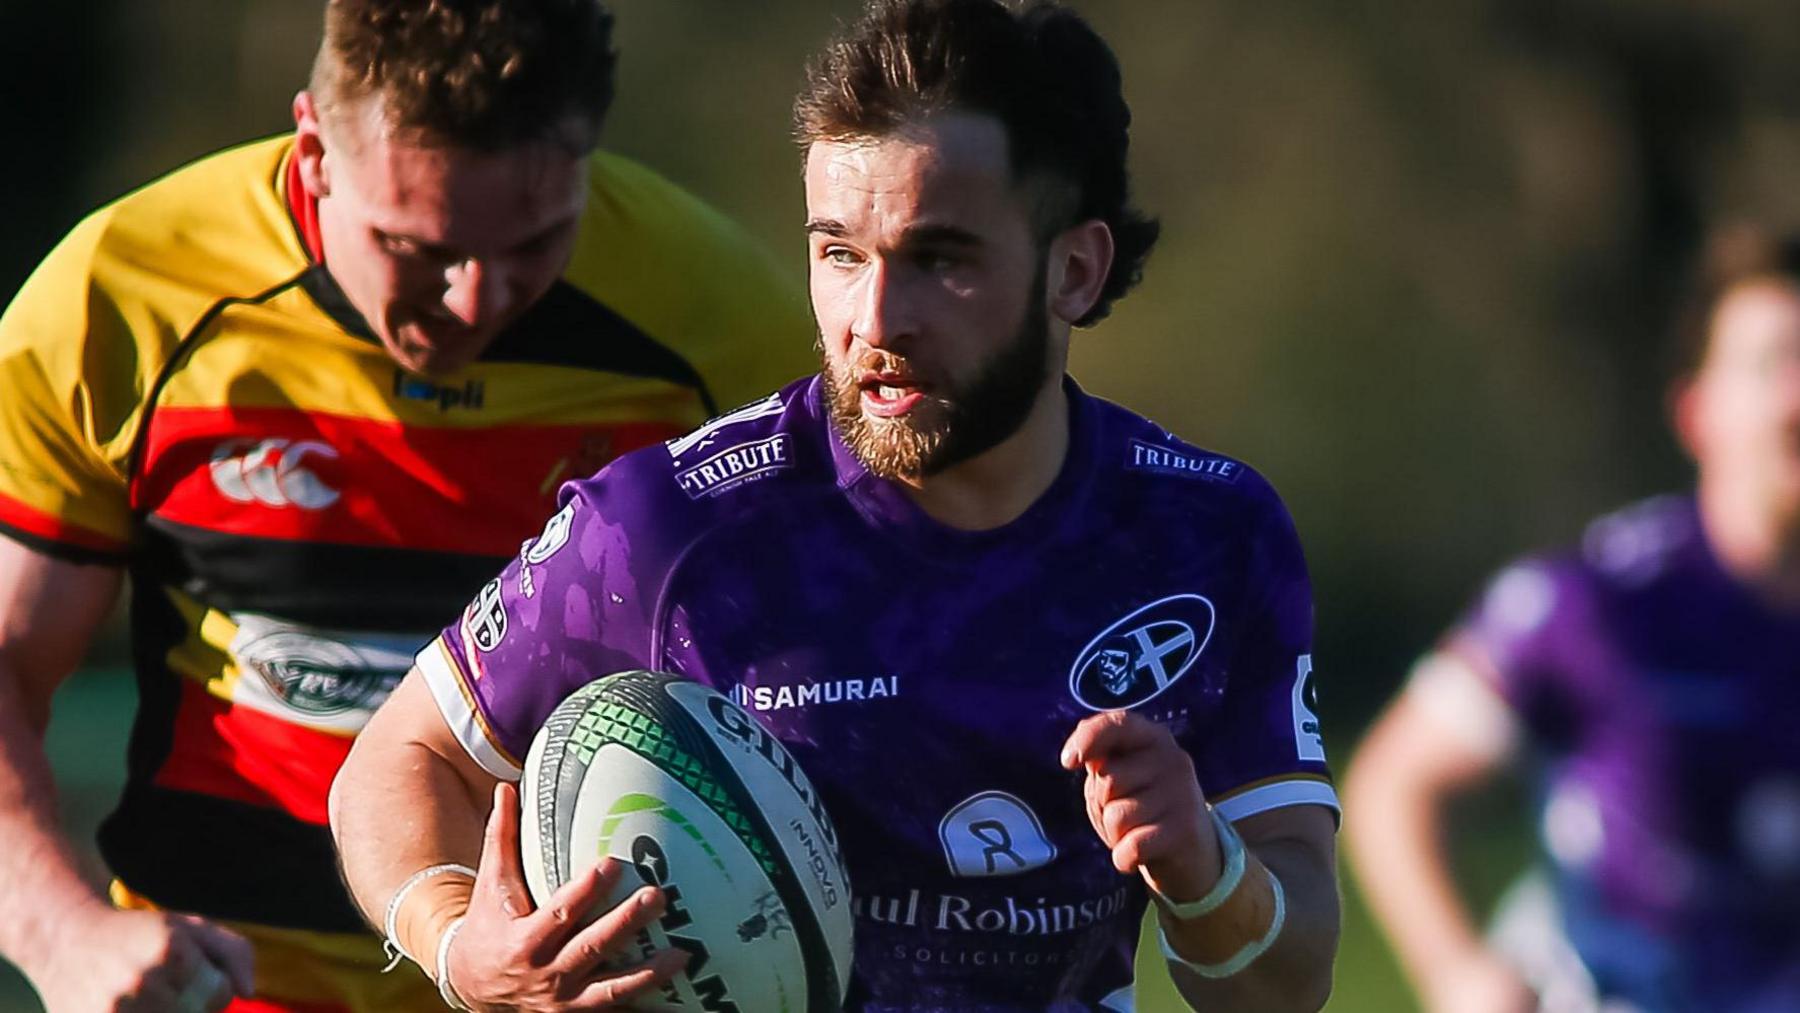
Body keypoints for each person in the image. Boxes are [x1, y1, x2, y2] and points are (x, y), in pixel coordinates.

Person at [330, 1, 1341, 1009]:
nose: (874, 320)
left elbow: (1285, 987)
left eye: (940, 259)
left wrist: (1212, 870)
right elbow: (398, 760)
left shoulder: (1205, 537)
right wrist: (459, 942)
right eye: (840, 252)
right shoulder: (670, 527)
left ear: (1074, 268)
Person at [0, 0, 813, 1008]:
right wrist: (64, 932)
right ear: (314, 150)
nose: (475, 298)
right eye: (422, 248)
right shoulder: (120, 298)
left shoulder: (723, 326)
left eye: (535, 240)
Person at [1345, 226, 1800, 1013]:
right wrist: (1462, 974)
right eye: (1774, 363)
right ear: (1696, 413)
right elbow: (1393, 785)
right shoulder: (1599, 604)